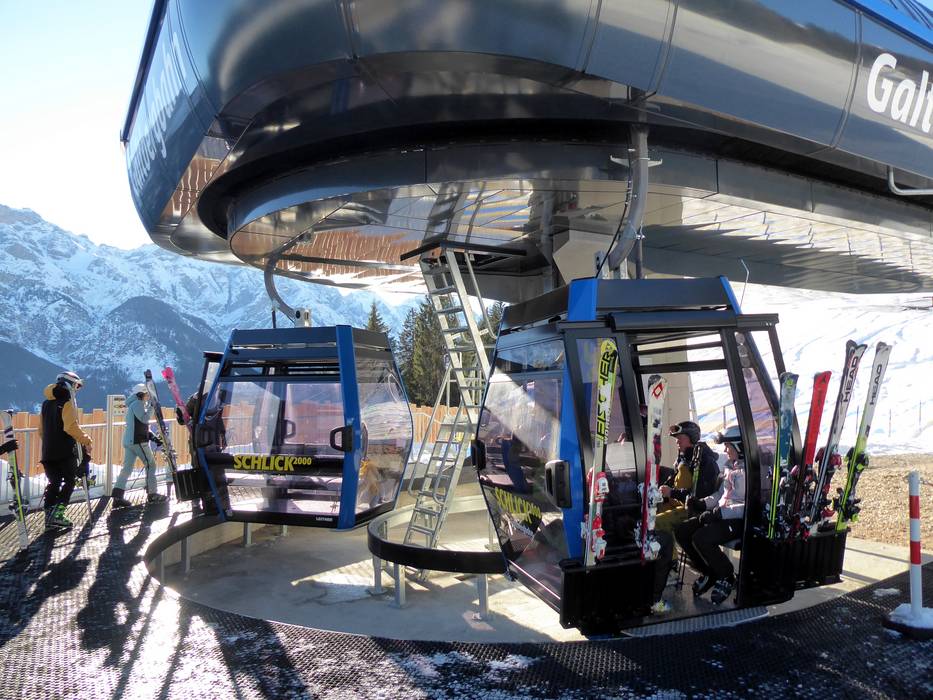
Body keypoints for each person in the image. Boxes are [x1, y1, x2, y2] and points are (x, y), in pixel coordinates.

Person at [675, 425, 746, 604]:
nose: (725, 451)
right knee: (682, 531)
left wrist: (719, 514)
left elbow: (747, 505)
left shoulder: (748, 472)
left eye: (728, 447)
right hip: (721, 515)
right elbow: (720, 495)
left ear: (739, 447)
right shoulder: (730, 467)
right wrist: (703, 503)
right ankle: (709, 571)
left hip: (737, 521)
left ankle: (727, 575)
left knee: (701, 537)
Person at [38, 371, 93, 529]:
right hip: (64, 451)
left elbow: (40, 430)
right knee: (69, 482)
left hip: (48, 451)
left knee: (54, 482)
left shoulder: (46, 403)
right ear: (68, 384)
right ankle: (58, 514)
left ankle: (49, 516)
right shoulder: (67, 403)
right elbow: (70, 427)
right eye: (76, 386)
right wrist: (86, 440)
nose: (76, 389)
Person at [655, 421, 720, 533]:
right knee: (646, 515)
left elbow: (700, 495)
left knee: (655, 523)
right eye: (676, 438)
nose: (677, 441)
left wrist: (672, 493)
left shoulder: (705, 461)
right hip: (675, 502)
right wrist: (662, 491)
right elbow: (673, 480)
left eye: (680, 437)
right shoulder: (683, 459)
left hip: (691, 510)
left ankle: (670, 545)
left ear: (691, 438)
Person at [111, 384, 168, 507]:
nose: (148, 397)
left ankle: (117, 496)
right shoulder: (137, 404)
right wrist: (152, 407)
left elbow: (139, 424)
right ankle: (152, 494)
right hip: (138, 441)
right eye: (147, 394)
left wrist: (152, 437)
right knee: (151, 465)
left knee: (127, 469)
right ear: (142, 394)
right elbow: (144, 419)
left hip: (130, 441)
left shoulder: (134, 404)